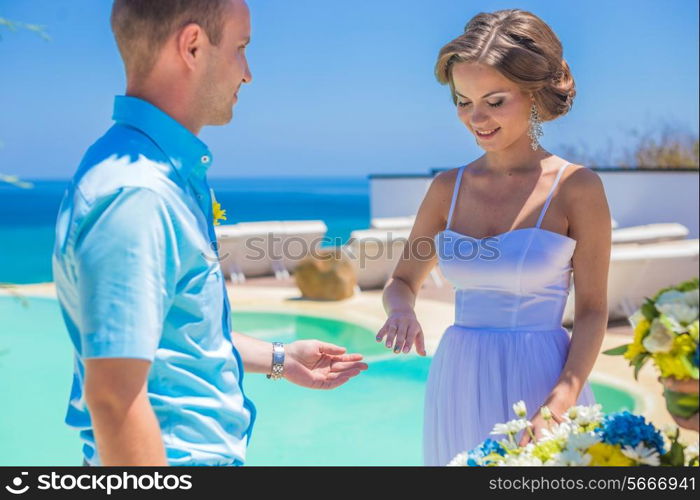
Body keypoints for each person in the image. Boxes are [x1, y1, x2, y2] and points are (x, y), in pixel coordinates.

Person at [52, 0, 367, 467]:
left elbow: (177, 334)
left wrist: (282, 358)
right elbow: (115, 401)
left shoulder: (160, 177)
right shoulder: (138, 196)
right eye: (241, 48)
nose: (248, 73)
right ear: (193, 46)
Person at [376, 9, 611, 466]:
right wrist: (401, 310)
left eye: (495, 101)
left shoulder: (577, 188)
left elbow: (592, 310)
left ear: (534, 95)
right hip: (458, 376)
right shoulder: (447, 188)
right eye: (463, 101)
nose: (475, 118)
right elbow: (402, 280)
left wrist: (559, 403)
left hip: (543, 379)